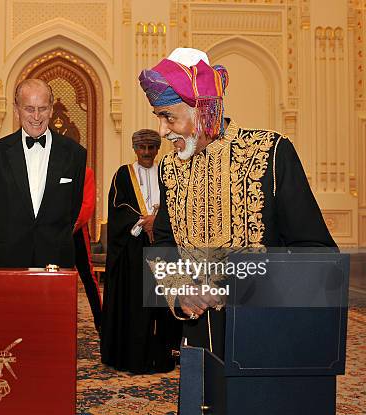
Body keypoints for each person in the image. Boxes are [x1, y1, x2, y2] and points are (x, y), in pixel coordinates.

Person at [138, 48, 337, 359]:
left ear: (203, 111)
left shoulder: (271, 153)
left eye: (168, 117)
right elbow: (163, 242)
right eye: (159, 118)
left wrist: (239, 287)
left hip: (266, 335)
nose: (162, 131)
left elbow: (316, 252)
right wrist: (180, 290)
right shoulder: (169, 168)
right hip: (198, 337)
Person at [0, 79, 86, 268]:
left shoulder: (75, 154)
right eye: (29, 109)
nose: (36, 116)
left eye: (42, 108)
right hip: (7, 258)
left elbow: (74, 207)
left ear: (51, 109)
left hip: (57, 258)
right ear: (16, 109)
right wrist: (6, 238)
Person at [100, 129, 181, 374]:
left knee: (162, 305)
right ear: (135, 149)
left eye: (151, 148)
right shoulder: (123, 175)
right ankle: (132, 355)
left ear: (158, 149)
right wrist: (142, 221)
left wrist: (157, 221)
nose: (146, 153)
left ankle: (162, 354)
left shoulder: (168, 173)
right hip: (133, 253)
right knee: (136, 305)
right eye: (142, 148)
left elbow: (176, 204)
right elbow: (117, 208)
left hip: (163, 247)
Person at [73, 166, 102, 331]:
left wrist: (72, 226)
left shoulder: (86, 172)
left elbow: (87, 205)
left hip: (77, 231)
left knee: (88, 277)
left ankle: (100, 322)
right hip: (53, 232)